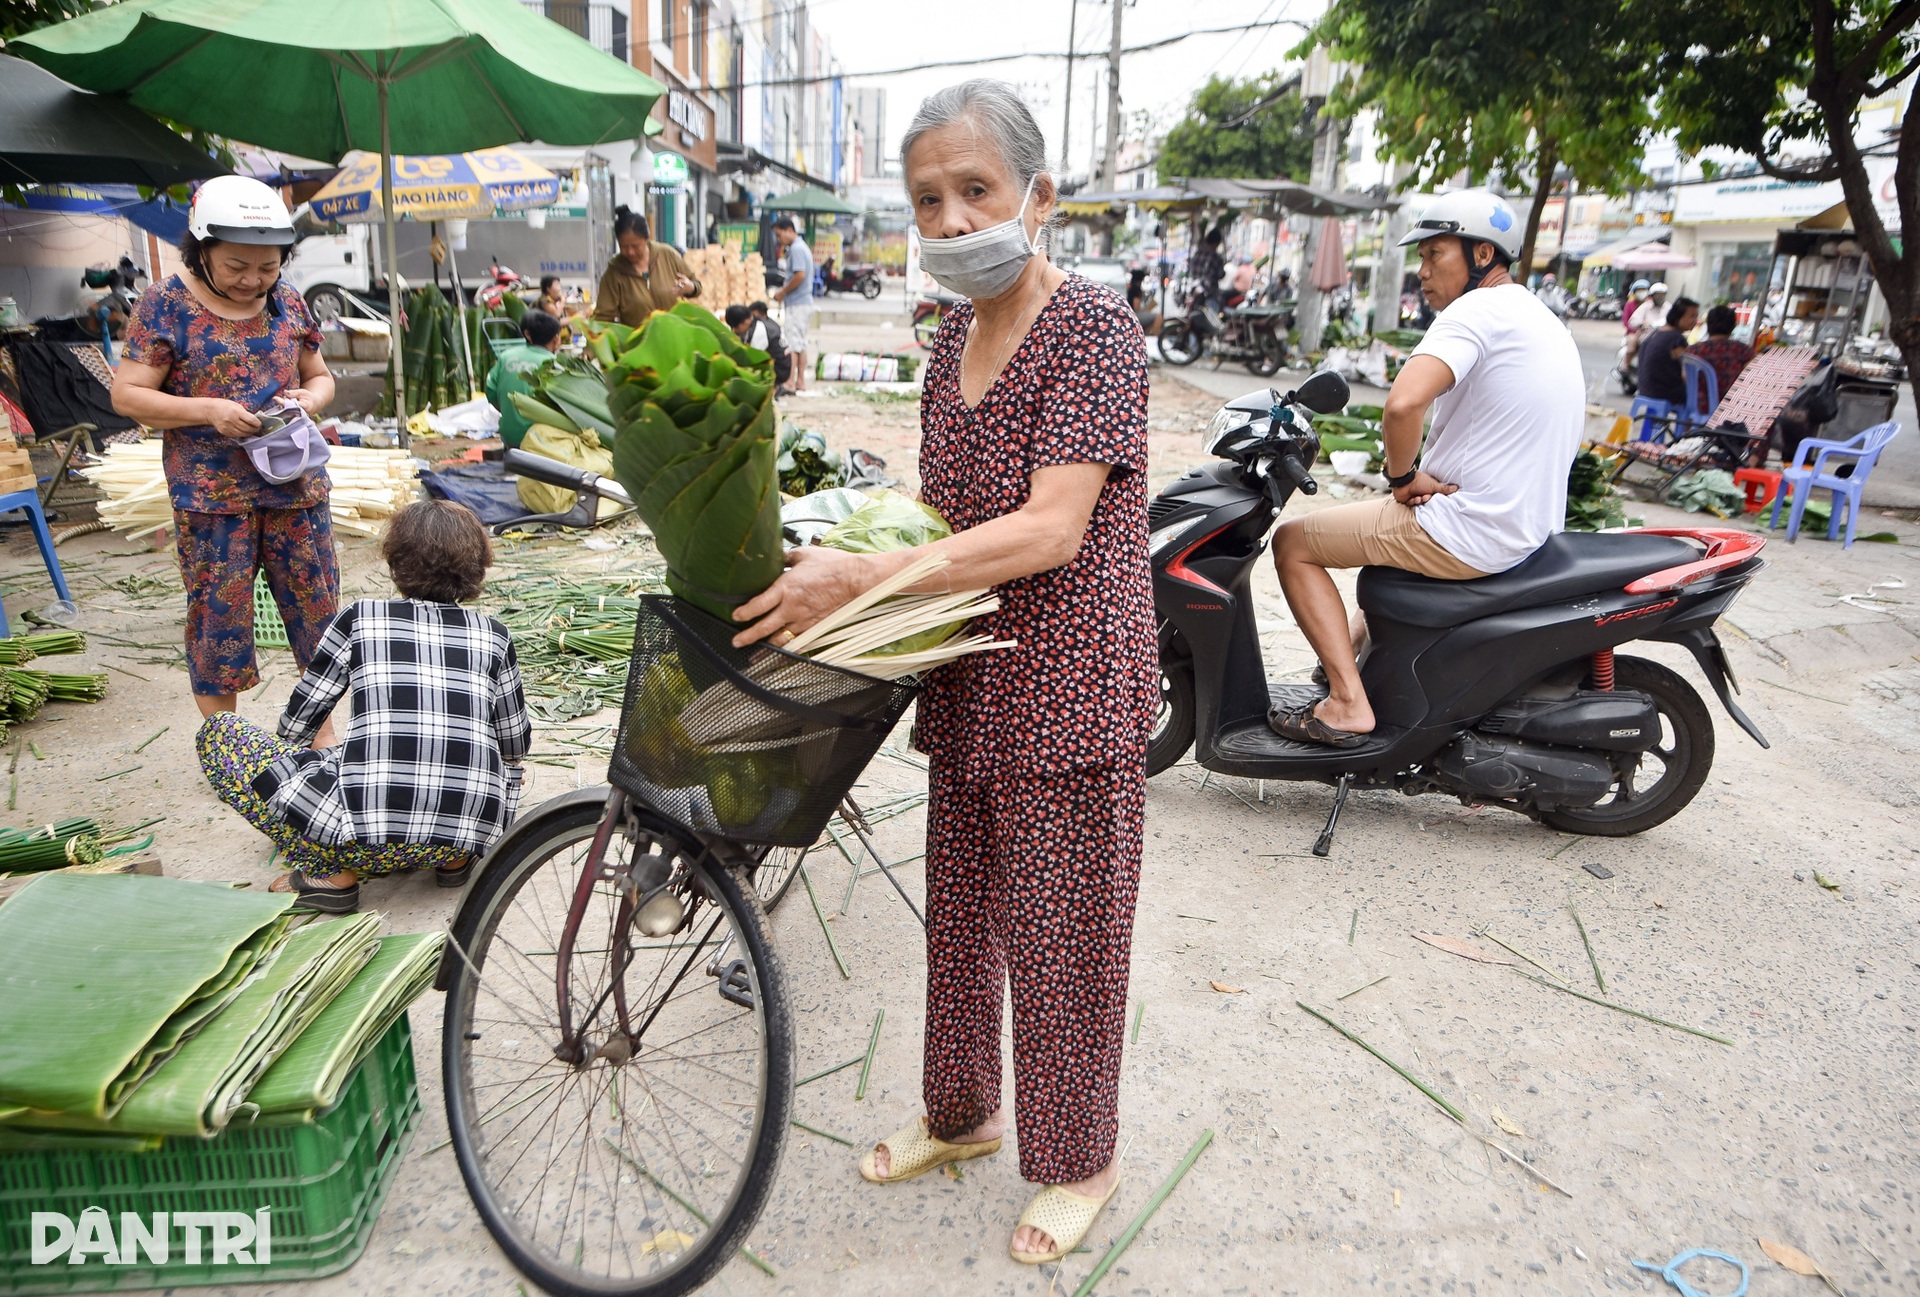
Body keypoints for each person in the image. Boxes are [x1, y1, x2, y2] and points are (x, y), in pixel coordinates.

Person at [729, 79, 1153, 1267]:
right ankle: (962, 1115)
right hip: (970, 677)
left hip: (1071, 687)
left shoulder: (1094, 333)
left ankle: (1082, 1160)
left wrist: (855, 584)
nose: (957, 220)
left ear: (1040, 198)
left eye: (978, 191)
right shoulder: (943, 351)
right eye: (930, 200)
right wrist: (851, 585)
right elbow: (937, 524)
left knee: (1064, 934)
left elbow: (1048, 529)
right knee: (960, 920)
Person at [1269, 188, 1584, 745]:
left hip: (1470, 527)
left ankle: (1346, 704)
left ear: (1481, 255)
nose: (1422, 270)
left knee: (1293, 542)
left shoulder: (1476, 310)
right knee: (1377, 545)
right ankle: (1349, 667)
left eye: (1434, 254)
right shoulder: (1540, 316)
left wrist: (1401, 477)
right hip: (1524, 527)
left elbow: (1403, 404)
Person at [195, 500, 530, 913]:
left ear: (396, 563)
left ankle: (330, 875)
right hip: (467, 835)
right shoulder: (493, 634)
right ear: (477, 567)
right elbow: (514, 745)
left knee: (222, 735)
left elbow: (299, 724)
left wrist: (309, 774)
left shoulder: (360, 619)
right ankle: (454, 860)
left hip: (362, 843)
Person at [112, 175, 341, 749]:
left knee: (319, 613)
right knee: (220, 619)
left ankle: (323, 740)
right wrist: (207, 410)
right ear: (201, 248)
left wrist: (309, 399)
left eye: (267, 267)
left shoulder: (288, 301)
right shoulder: (165, 305)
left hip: (296, 487)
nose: (252, 280)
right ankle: (226, 745)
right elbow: (127, 396)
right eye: (237, 265)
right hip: (213, 497)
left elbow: (320, 376)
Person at [591, 206, 700, 327]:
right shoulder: (615, 272)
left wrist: (691, 288)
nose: (630, 252)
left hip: (675, 340)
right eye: (624, 247)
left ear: (647, 238)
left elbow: (696, 285)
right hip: (639, 344)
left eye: (635, 246)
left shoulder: (667, 255)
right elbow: (602, 318)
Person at [486, 310, 564, 449]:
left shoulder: (506, 356)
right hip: (539, 441)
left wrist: (511, 413)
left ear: (527, 334)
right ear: (556, 338)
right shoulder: (554, 364)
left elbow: (491, 391)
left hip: (509, 437)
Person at [769, 215, 815, 390]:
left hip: (797, 303)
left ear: (789, 230)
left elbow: (800, 275)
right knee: (801, 343)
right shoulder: (801, 247)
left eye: (779, 235)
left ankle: (790, 381)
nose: (779, 240)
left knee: (793, 343)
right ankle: (800, 381)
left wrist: (782, 292)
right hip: (803, 302)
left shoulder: (796, 249)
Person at [1688, 304, 1755, 408]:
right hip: (1732, 407)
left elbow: (1685, 377)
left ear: (1708, 325)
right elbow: (1752, 377)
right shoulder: (1743, 351)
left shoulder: (1693, 351)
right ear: (1733, 326)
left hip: (1699, 406)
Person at [1636, 296, 1700, 405]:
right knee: (1701, 396)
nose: (1695, 321)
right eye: (1692, 316)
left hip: (1645, 390)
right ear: (1678, 317)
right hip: (1663, 393)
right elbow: (1688, 372)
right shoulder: (1676, 339)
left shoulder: (1656, 333)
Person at [724, 302, 792, 389]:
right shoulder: (756, 322)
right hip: (782, 364)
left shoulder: (759, 332)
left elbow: (753, 360)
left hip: (780, 371)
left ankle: (773, 388)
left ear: (746, 322)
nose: (734, 331)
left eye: (735, 327)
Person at [1188, 228, 1226, 307]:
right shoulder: (1216, 257)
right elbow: (1220, 274)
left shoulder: (1197, 254)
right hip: (1209, 295)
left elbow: (1192, 270)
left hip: (1195, 292)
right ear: (1217, 242)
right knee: (1212, 317)